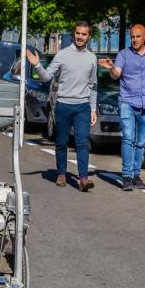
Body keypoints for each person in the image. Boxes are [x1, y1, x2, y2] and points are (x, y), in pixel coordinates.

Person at [27, 21, 97, 192]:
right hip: (64, 105)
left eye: (84, 34)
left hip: (83, 107)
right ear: (74, 34)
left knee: (82, 142)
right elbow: (46, 77)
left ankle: (83, 178)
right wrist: (37, 65)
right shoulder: (62, 55)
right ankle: (61, 173)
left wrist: (93, 108)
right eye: (78, 33)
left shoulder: (92, 58)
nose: (80, 37)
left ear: (89, 36)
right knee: (61, 141)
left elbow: (93, 85)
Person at [98, 24, 145, 191]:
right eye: (132, 37)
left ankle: (137, 175)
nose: (135, 39)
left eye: (138, 36)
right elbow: (116, 74)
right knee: (128, 138)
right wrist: (111, 68)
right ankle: (127, 176)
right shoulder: (124, 54)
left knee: (140, 142)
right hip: (127, 102)